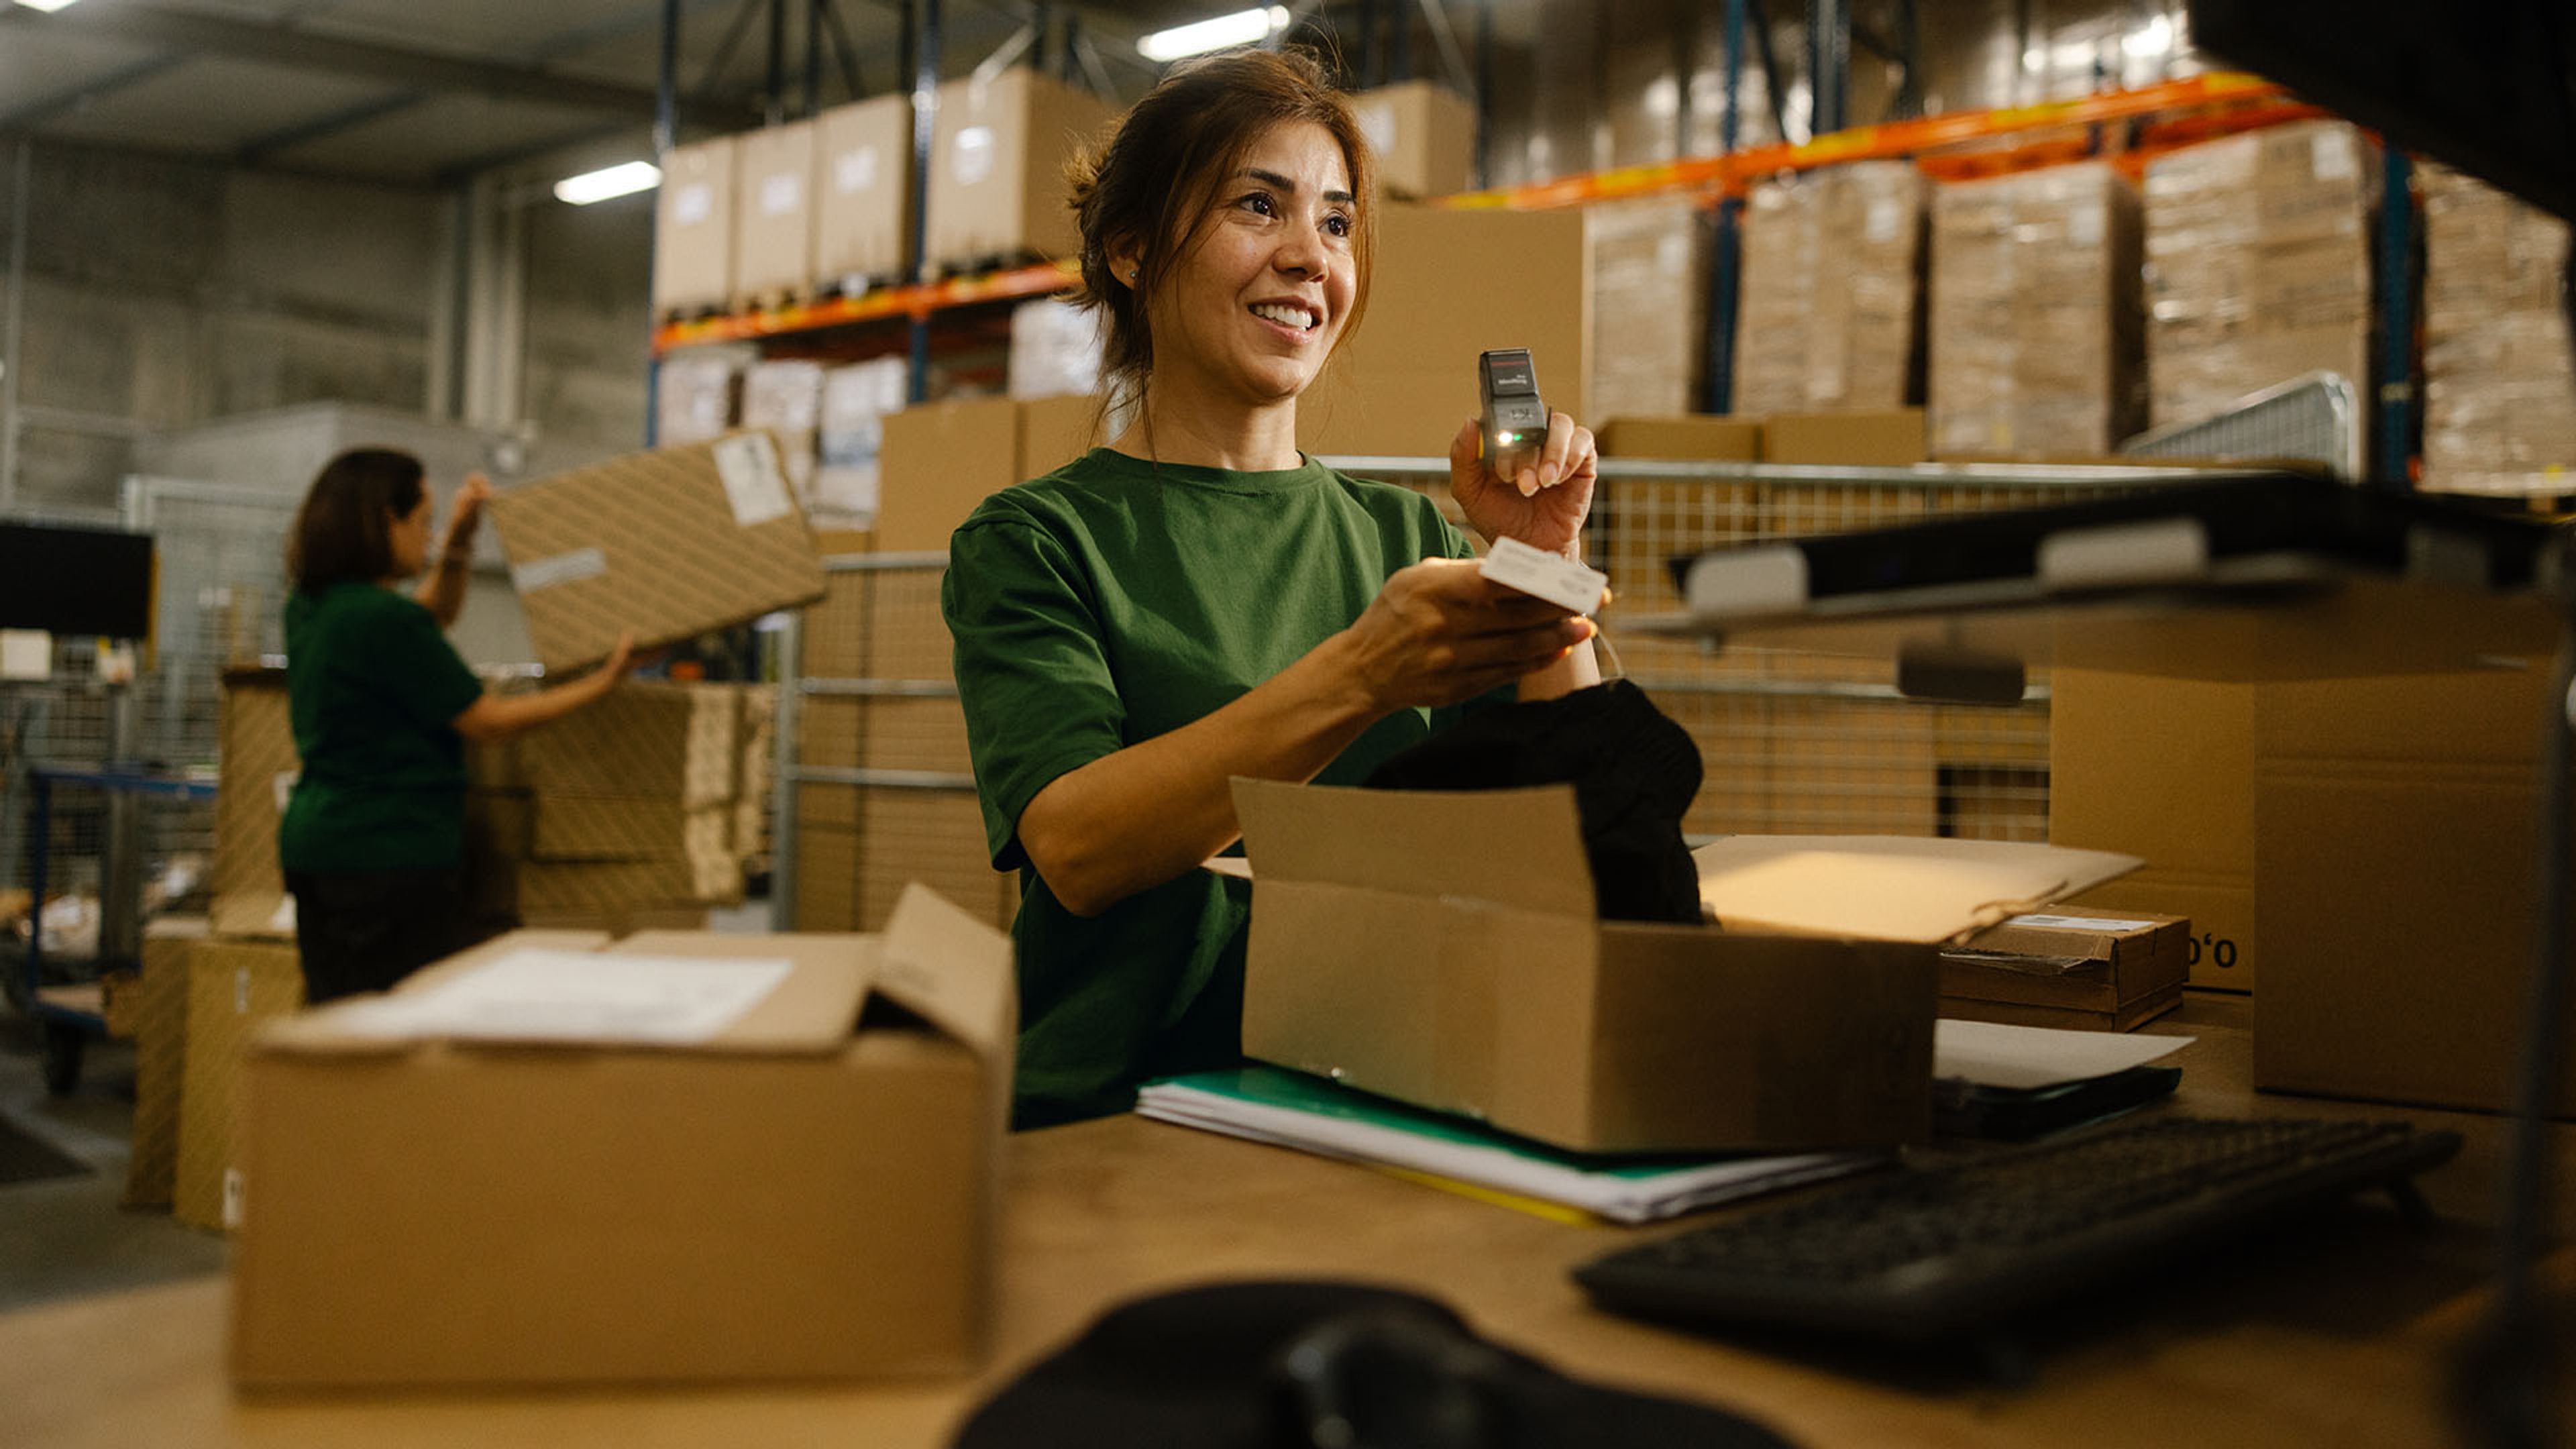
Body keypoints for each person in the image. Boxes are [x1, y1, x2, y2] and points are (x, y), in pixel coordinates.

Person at [942, 49, 1605, 1128]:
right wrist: (1362, 673)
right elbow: (1076, 846)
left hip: (1389, 1087)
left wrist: (1542, 563)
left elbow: (1573, 829)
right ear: (1131, 249)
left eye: (1338, 224)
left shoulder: (1410, 536)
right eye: (1262, 206)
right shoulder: (1036, 541)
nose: (1310, 258)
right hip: (1123, 1111)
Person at [278, 448, 640, 1004]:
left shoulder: (314, 606)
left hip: (321, 848)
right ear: (384, 522)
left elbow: (432, 616)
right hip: (387, 856)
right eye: (424, 523)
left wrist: (462, 538)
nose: (429, 539)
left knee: (339, 1015)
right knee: (396, 1024)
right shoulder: (382, 619)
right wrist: (603, 682)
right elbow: (488, 722)